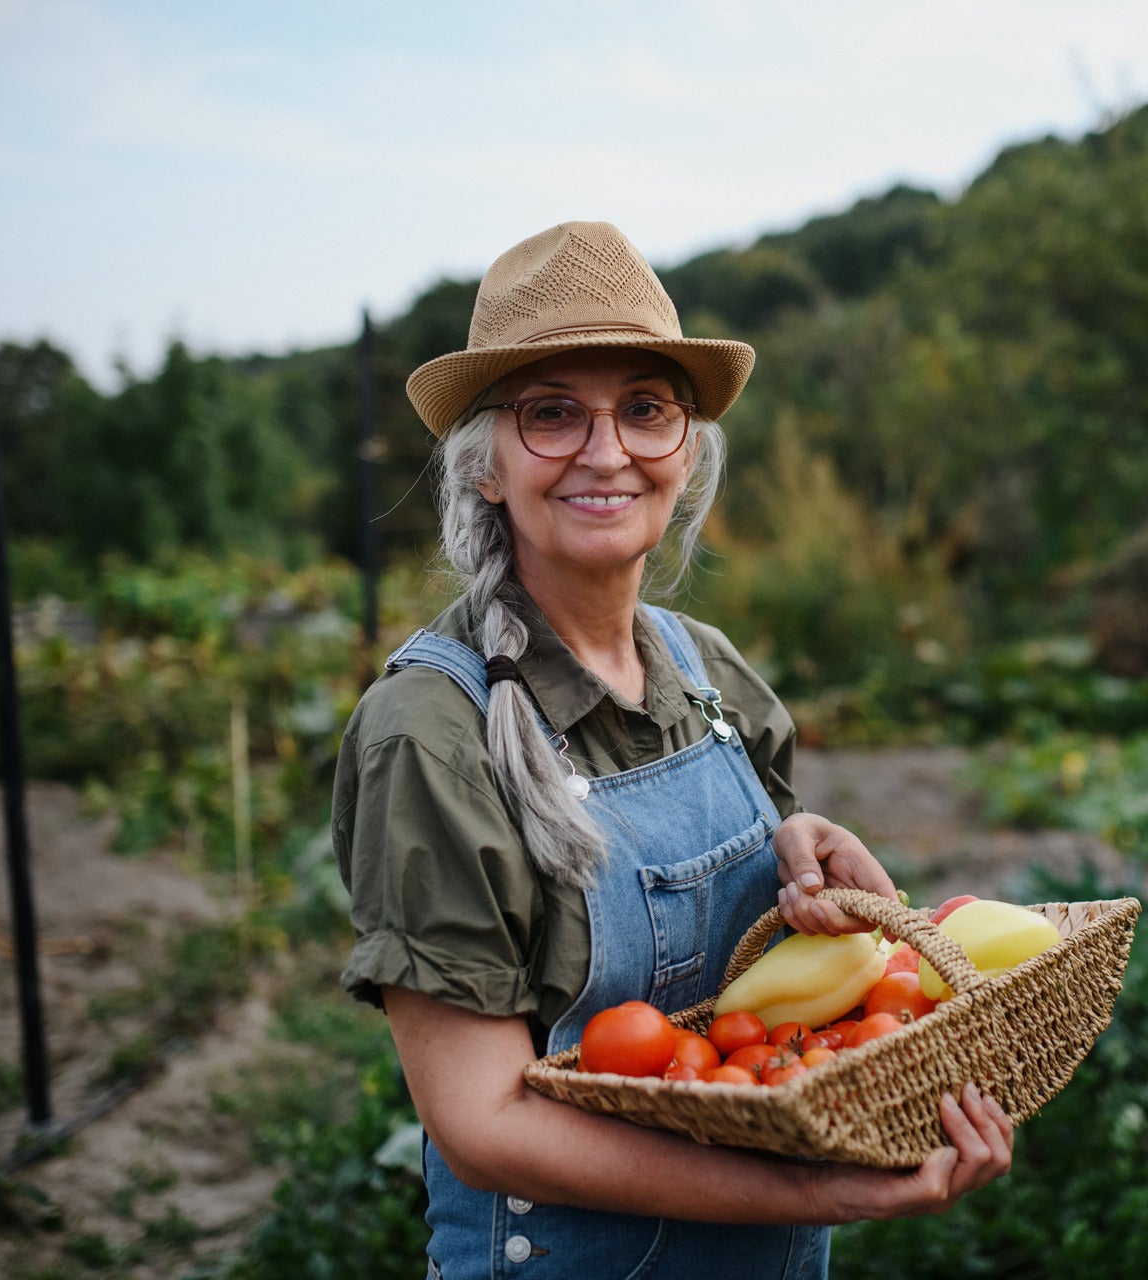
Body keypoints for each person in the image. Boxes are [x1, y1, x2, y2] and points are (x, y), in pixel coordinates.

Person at [331, 221, 1013, 1280]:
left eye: (645, 408)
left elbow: (761, 1008)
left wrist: (803, 865)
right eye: (551, 413)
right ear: (484, 467)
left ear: (684, 449)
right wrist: (816, 1187)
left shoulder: (712, 673)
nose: (607, 452)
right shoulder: (431, 730)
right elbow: (483, 1122)